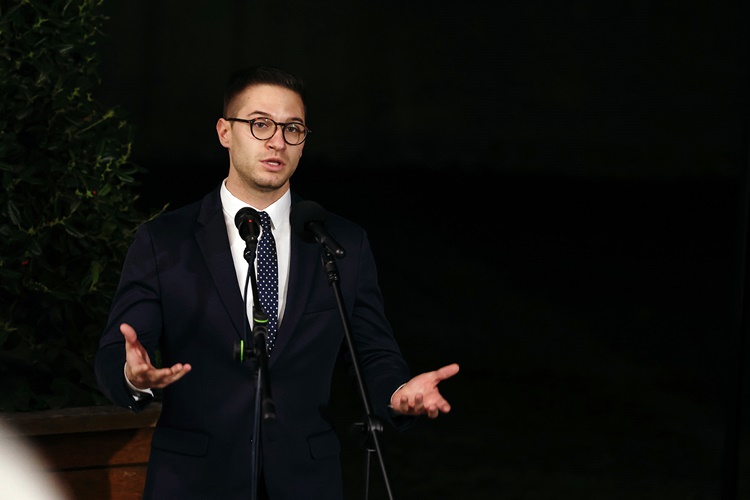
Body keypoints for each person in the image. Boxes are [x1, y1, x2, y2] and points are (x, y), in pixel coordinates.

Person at [95, 65, 459, 500]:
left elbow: (372, 352)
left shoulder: (341, 242)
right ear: (224, 132)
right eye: (260, 124)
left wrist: (398, 392)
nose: (277, 141)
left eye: (293, 129)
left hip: (305, 482)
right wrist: (134, 375)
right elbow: (117, 351)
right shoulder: (165, 241)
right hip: (194, 480)